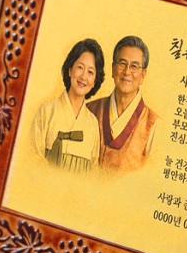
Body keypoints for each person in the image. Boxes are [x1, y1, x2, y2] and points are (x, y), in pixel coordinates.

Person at [31, 39, 105, 172]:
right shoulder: (46, 111)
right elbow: (33, 157)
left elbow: (93, 171)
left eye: (90, 72)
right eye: (80, 67)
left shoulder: (93, 124)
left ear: (94, 81)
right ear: (70, 70)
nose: (83, 77)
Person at [88, 35, 159, 171]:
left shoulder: (153, 126)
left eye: (134, 67)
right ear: (113, 69)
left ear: (143, 75)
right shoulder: (90, 109)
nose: (127, 72)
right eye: (122, 64)